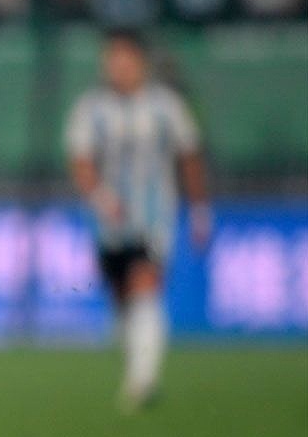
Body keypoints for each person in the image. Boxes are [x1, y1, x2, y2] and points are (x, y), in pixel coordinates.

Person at [64, 28, 210, 412]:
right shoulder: (91, 108)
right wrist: (101, 197)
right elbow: (80, 161)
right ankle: (137, 367)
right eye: (111, 60)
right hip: (108, 220)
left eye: (124, 59)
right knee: (122, 297)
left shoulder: (167, 106)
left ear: (140, 62)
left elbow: (189, 156)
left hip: (155, 215)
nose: (118, 67)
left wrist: (199, 209)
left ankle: (143, 381)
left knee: (146, 282)